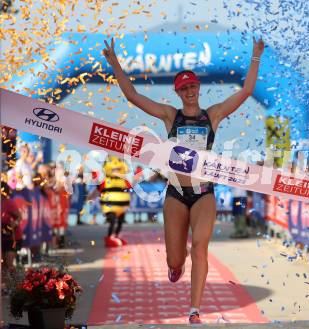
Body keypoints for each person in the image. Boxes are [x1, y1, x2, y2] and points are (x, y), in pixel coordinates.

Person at [103, 36, 264, 324]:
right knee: (175, 259)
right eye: (184, 88)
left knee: (200, 248)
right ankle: (175, 265)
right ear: (178, 92)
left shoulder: (212, 115)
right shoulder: (170, 116)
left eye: (193, 86)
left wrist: (255, 56)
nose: (190, 91)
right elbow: (133, 97)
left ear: (198, 88)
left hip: (204, 193)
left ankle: (194, 310)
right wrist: (115, 63)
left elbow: (247, 90)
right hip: (176, 194)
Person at [1, 181, 22, 293]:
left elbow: (19, 217)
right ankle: (3, 287)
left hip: (12, 237)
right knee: (2, 263)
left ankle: (18, 285)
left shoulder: (9, 203)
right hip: (1, 237)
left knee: (9, 263)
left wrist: (14, 224)